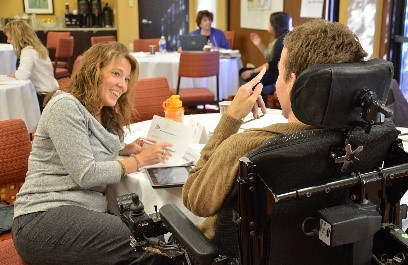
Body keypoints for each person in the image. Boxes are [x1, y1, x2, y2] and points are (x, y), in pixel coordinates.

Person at [183, 19, 367, 259]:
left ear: (292, 81)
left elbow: (195, 199)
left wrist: (230, 118)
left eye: (279, 72)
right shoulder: (365, 137)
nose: (277, 82)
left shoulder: (248, 146)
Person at [12, 42, 174, 265]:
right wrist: (138, 161)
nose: (123, 85)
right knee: (143, 239)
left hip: (80, 214)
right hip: (42, 217)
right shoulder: (64, 106)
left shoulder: (102, 113)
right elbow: (86, 173)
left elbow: (87, 146)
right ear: (93, 71)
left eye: (126, 79)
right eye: (116, 74)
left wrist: (122, 148)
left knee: (150, 234)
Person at [3, 20, 59, 110]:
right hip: (51, 90)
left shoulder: (28, 51)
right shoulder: (36, 48)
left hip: (43, 96)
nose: (8, 41)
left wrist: (14, 74)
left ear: (19, 37)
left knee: (13, 105)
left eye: (10, 38)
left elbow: (22, 75)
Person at [239, 12, 292, 107]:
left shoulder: (281, 41)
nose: (268, 24)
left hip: (277, 73)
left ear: (275, 25)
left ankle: (261, 106)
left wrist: (252, 72)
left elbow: (272, 64)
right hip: (274, 70)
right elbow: (269, 57)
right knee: (243, 71)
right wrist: (259, 44)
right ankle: (267, 89)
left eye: (270, 22)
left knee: (253, 79)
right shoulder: (277, 38)